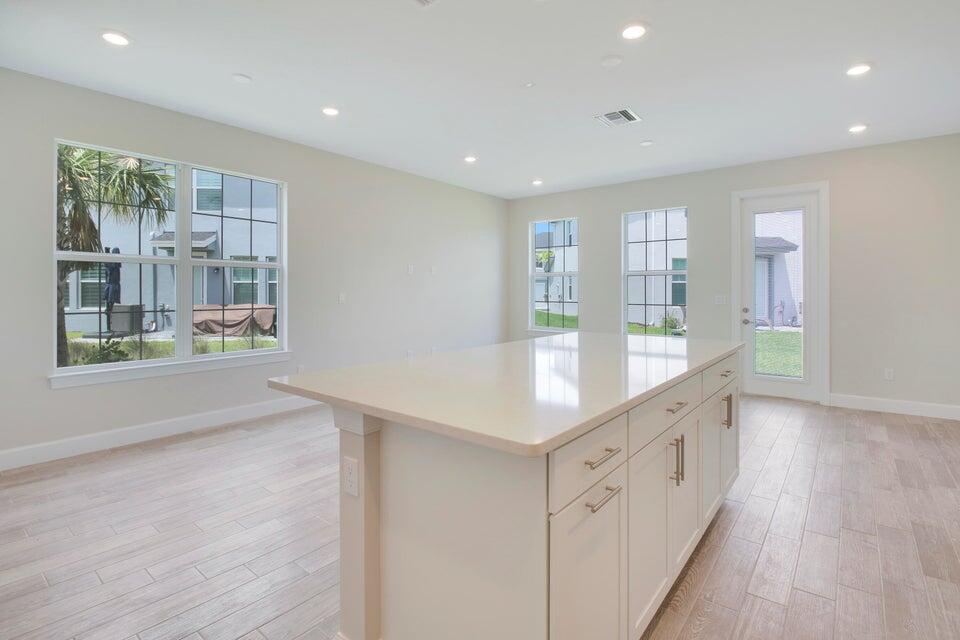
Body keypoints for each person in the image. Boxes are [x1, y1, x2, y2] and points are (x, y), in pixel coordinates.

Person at [103, 247, 121, 332]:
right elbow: (107, 264)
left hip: (114, 283)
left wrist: (107, 253)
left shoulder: (116, 262)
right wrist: (107, 252)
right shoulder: (111, 263)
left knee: (112, 299)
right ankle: (108, 310)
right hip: (110, 283)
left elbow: (111, 264)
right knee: (110, 299)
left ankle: (109, 310)